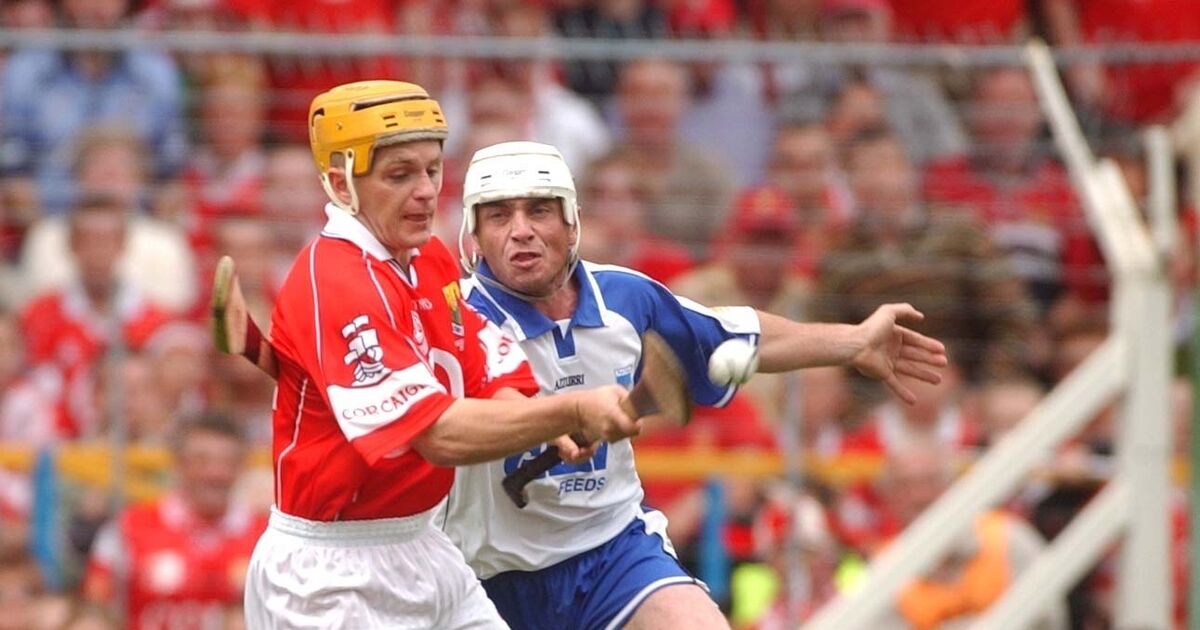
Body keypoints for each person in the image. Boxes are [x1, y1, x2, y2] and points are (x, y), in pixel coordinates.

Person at [443, 140, 948, 629]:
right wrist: (561, 416)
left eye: (539, 211)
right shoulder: (452, 321)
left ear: (572, 222)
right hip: (488, 575)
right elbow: (453, 425)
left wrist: (853, 342)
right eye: (499, 216)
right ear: (474, 235)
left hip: (611, 551)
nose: (521, 230)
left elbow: (734, 335)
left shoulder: (625, 297)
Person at [243, 80, 644, 628]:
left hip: (423, 545)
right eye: (400, 175)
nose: (427, 191)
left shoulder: (427, 257)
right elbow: (436, 434)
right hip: (331, 576)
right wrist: (569, 409)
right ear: (340, 184)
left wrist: (544, 421)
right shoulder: (334, 279)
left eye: (432, 170)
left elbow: (480, 372)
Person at [83, 414, 268, 629]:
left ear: (242, 467)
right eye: (201, 460)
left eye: (228, 462)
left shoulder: (265, 537)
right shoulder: (128, 527)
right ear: (178, 464)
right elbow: (95, 610)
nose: (215, 473)